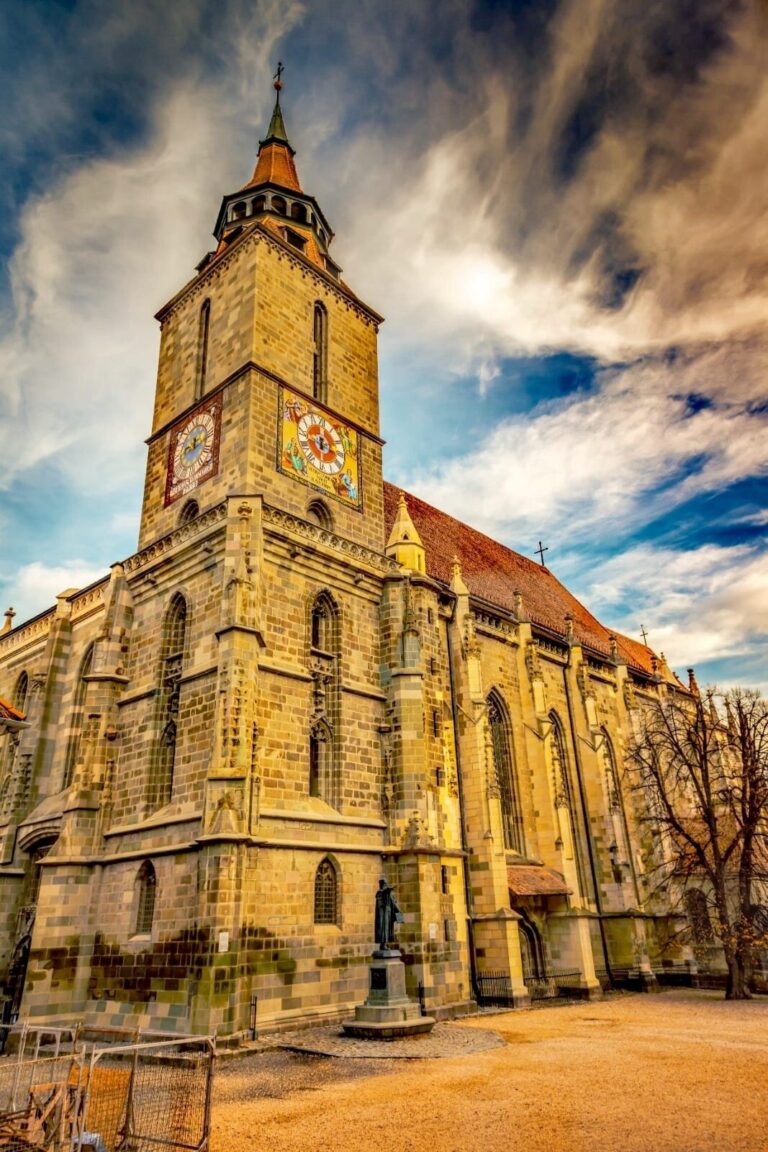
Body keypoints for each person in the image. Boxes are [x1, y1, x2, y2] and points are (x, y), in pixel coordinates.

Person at [374, 878, 404, 949]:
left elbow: (393, 903)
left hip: (388, 914)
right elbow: (384, 893)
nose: (384, 885)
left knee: (388, 929)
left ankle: (385, 944)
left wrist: (399, 911)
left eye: (385, 884)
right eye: (383, 884)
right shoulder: (380, 892)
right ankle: (383, 945)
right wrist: (389, 889)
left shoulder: (388, 894)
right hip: (383, 915)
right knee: (383, 929)